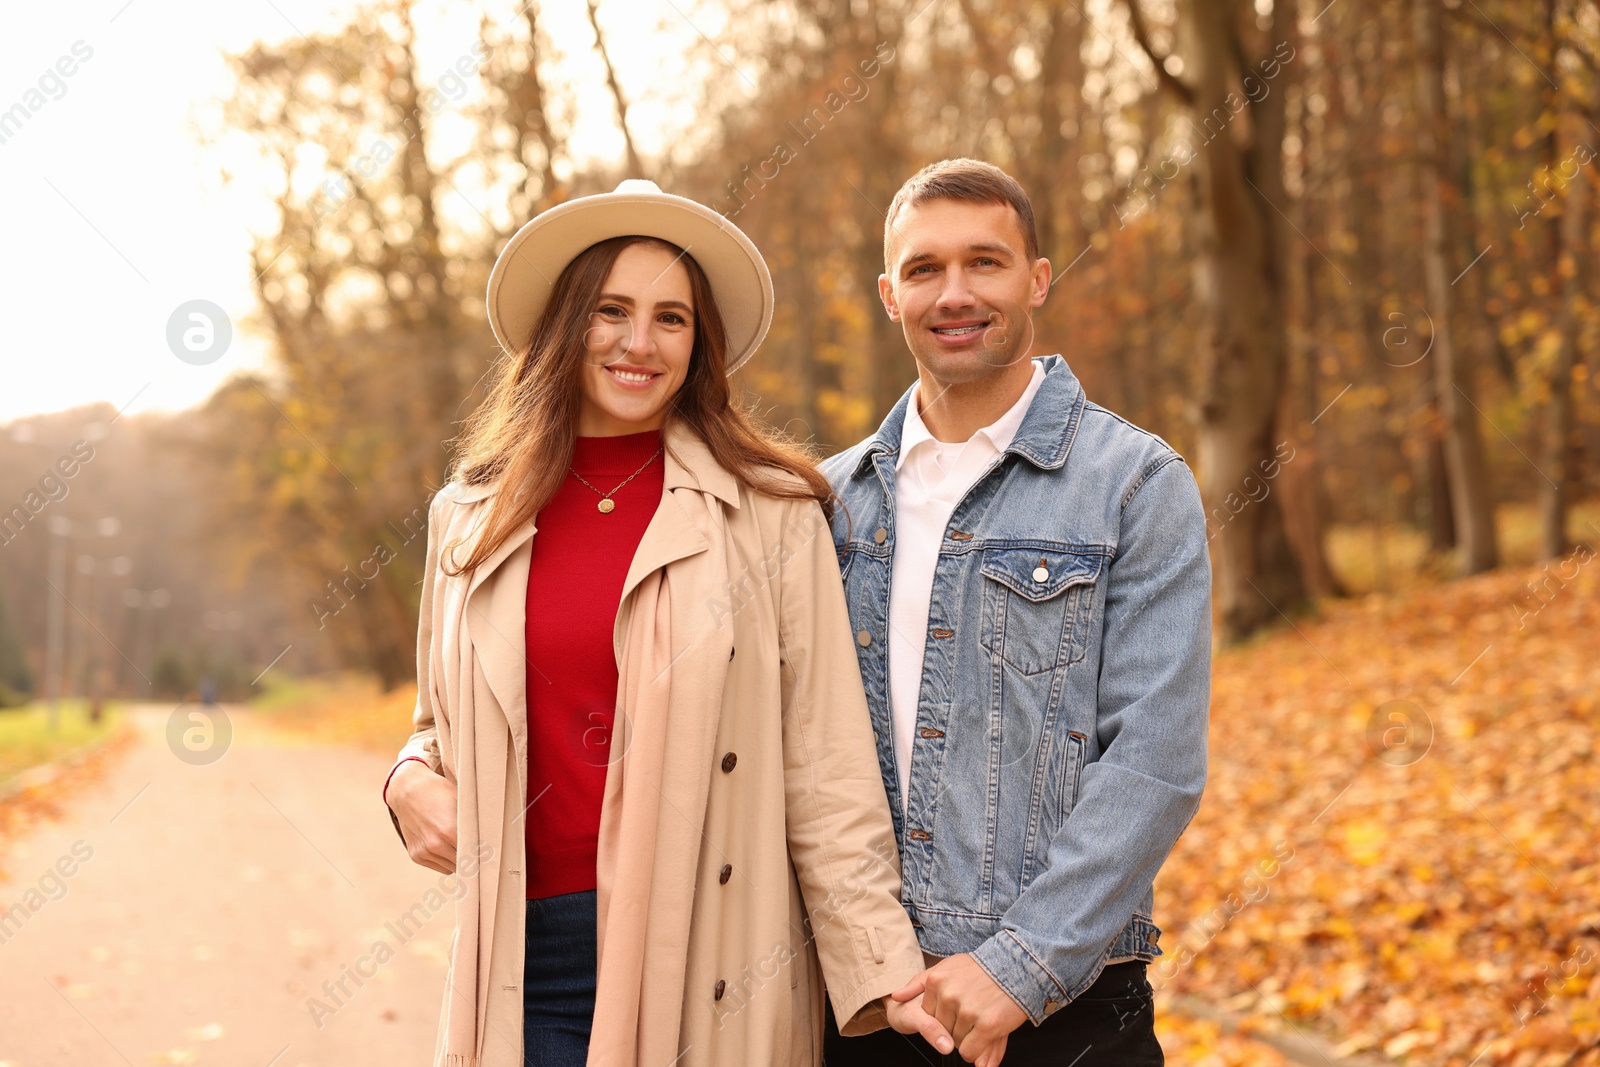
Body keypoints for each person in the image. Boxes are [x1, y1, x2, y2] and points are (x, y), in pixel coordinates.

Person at [380, 180, 954, 1067]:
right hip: (520, 958)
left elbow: (826, 762)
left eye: (671, 318)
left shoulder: (771, 515)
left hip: (712, 952)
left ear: (701, 343)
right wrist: (406, 776)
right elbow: (436, 720)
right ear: (566, 325)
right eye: (611, 310)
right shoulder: (468, 517)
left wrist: (886, 969)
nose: (639, 344)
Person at [820, 158, 1212, 1067]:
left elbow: (1155, 760)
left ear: (1038, 278)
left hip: (1068, 1013)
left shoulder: (1134, 483)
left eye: (985, 262)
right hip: (864, 1009)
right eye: (924, 269)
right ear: (889, 294)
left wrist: (1019, 965)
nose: (954, 293)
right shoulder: (827, 503)